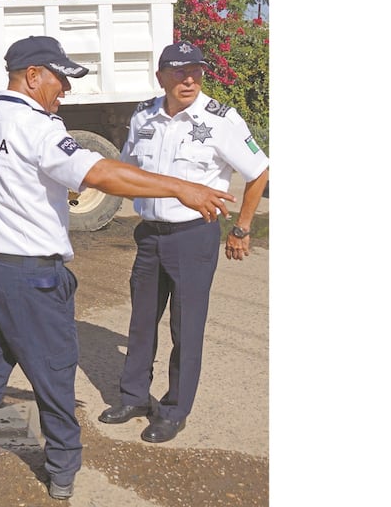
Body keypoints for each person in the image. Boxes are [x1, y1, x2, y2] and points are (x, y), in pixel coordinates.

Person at [0, 35, 236, 507]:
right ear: (32, 76)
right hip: (33, 279)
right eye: (60, 79)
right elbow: (105, 175)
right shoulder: (41, 130)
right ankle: (63, 474)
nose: (64, 90)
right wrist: (182, 187)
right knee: (53, 378)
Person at [97, 40, 269, 443]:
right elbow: (126, 169)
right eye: (178, 71)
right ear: (161, 77)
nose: (188, 78)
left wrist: (241, 228)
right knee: (141, 322)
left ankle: (175, 410)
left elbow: (259, 170)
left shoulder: (221, 119)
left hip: (194, 236)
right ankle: (134, 396)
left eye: (195, 71)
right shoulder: (144, 115)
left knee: (185, 328)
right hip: (150, 236)